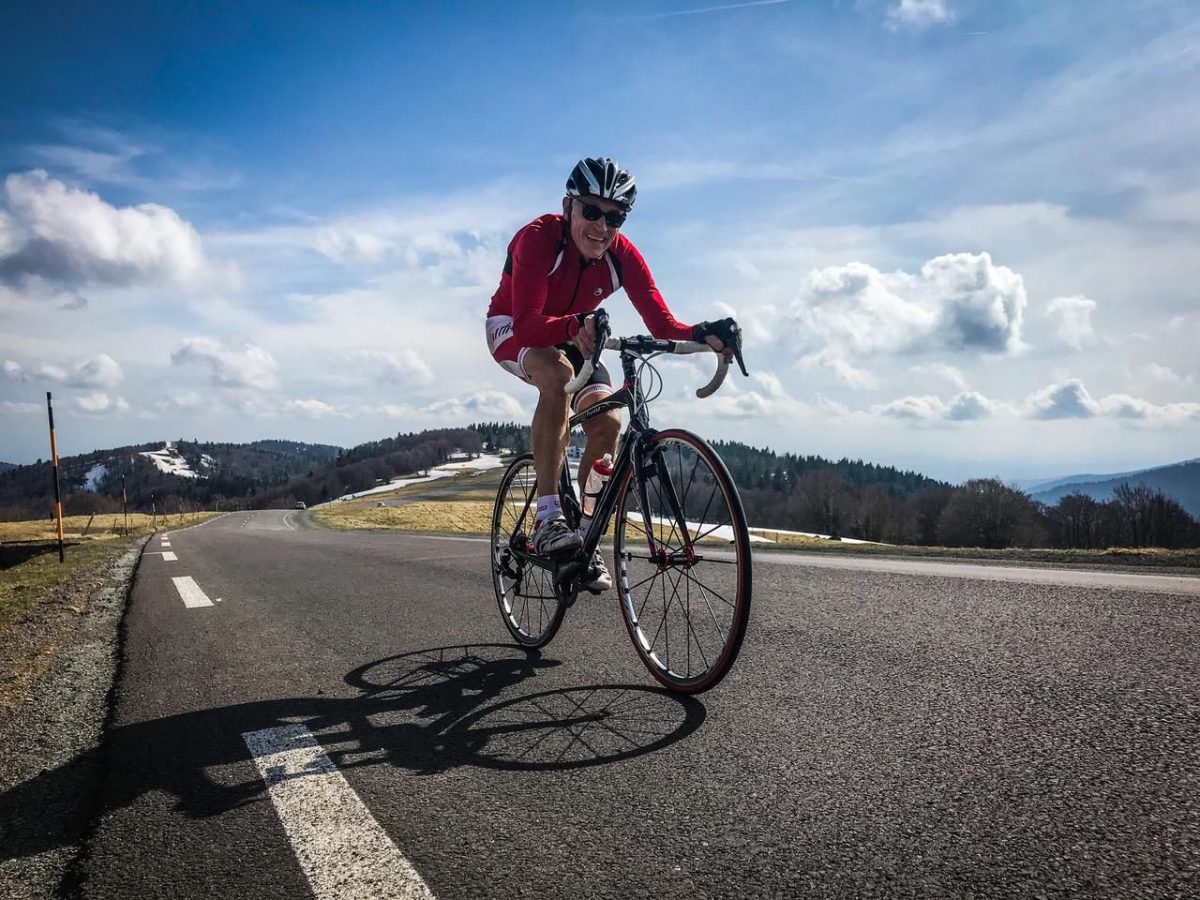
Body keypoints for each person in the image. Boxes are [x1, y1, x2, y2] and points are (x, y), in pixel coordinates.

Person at [485, 157, 740, 592]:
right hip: (515, 326)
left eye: (615, 216)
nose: (602, 226)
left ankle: (584, 535)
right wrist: (573, 326)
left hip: (577, 331)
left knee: (609, 421)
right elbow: (528, 322)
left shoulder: (622, 257)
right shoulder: (539, 238)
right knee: (557, 374)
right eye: (592, 211)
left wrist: (705, 333)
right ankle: (548, 517)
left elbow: (663, 325)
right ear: (569, 207)